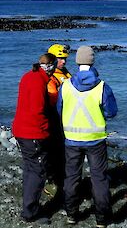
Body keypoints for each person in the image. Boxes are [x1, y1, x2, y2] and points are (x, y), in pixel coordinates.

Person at [57, 46, 117, 227]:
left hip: (72, 139)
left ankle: (71, 214)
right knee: (99, 178)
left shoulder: (65, 85)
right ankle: (101, 219)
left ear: (77, 61)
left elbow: (59, 109)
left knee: (72, 177)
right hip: (96, 139)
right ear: (92, 61)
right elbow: (112, 112)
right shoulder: (101, 86)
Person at [12, 53, 57, 224]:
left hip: (21, 129)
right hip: (33, 133)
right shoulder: (40, 81)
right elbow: (38, 110)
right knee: (38, 172)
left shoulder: (28, 76)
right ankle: (30, 212)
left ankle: (28, 205)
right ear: (50, 66)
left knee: (30, 168)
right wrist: (47, 130)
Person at [44, 44, 71, 199]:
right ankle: (53, 182)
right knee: (54, 153)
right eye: (60, 58)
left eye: (65, 58)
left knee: (64, 153)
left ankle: (61, 180)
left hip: (66, 119)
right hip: (55, 119)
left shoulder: (65, 74)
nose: (63, 62)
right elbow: (53, 100)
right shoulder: (50, 77)